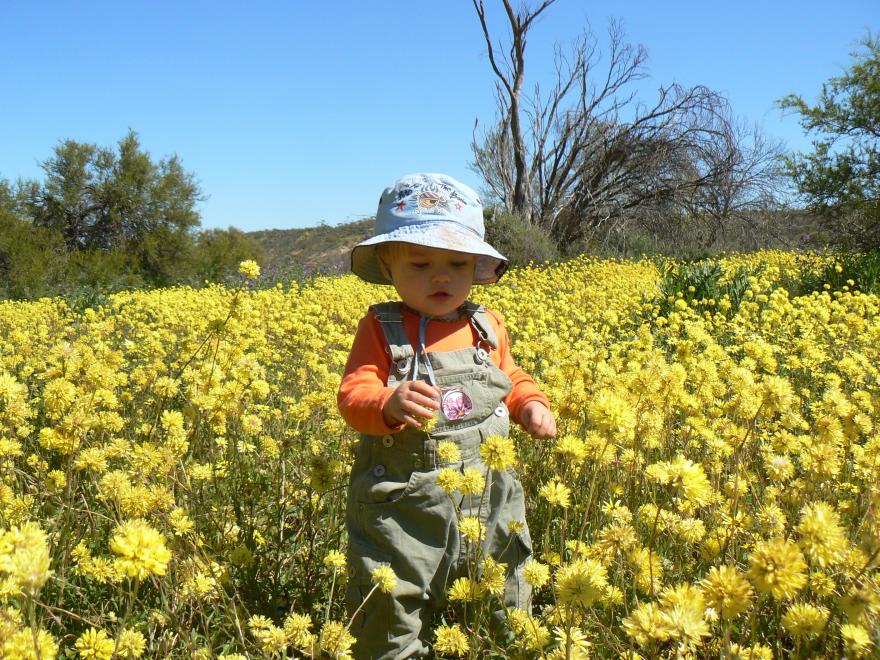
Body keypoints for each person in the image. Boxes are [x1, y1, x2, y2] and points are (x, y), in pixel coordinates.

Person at [338, 172, 556, 658]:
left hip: (491, 489)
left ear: (476, 266)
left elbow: (511, 377)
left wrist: (530, 405)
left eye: (457, 263)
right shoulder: (380, 327)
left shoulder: (485, 325)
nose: (441, 276)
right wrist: (386, 404)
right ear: (388, 265)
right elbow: (354, 393)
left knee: (507, 580)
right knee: (392, 592)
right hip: (405, 502)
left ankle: (515, 648)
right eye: (420, 263)